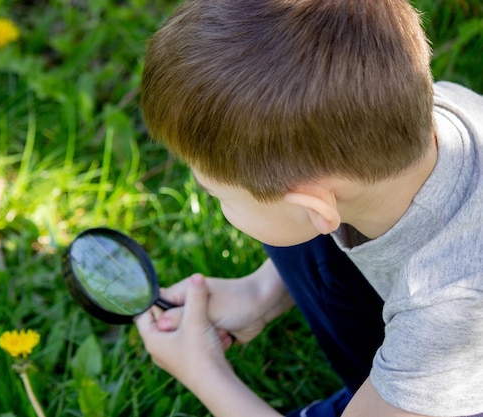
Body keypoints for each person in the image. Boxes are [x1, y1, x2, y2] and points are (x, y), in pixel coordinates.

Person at [133, 0, 483, 416]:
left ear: (316, 208)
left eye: (216, 194)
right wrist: (259, 293)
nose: (212, 200)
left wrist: (203, 373)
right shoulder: (440, 111)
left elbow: (446, 321)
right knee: (288, 222)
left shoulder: (448, 308)